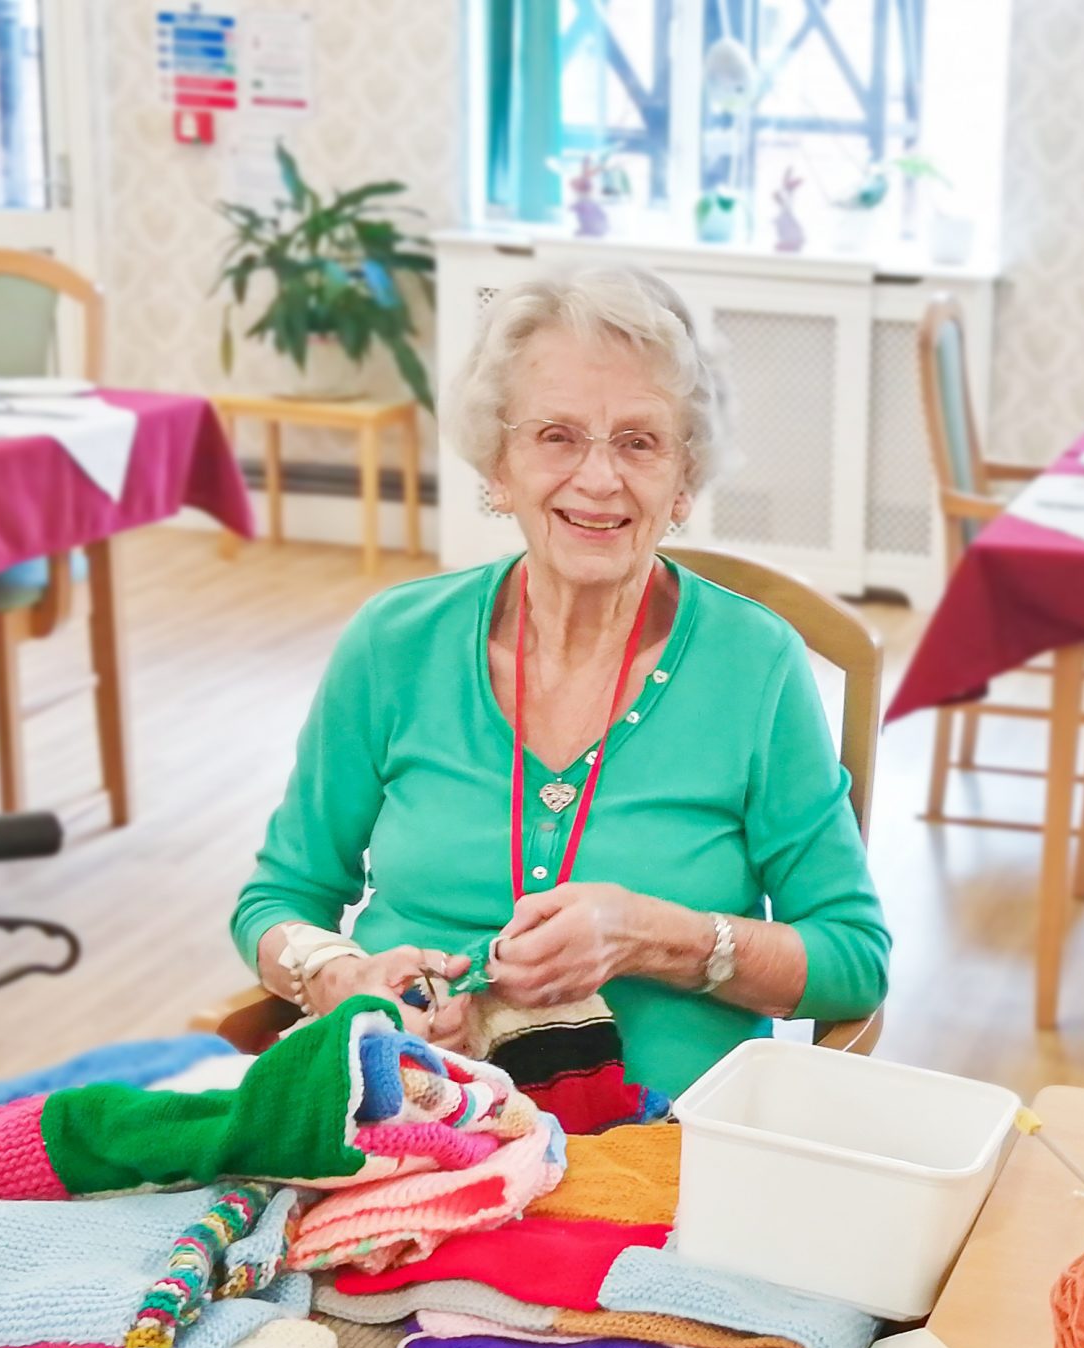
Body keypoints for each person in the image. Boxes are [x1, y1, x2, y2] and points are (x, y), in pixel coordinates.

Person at [233, 265, 889, 1102]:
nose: (599, 479)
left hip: (658, 1157)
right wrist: (336, 975)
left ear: (684, 480)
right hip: (406, 1126)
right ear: (498, 465)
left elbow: (853, 959)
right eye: (557, 436)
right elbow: (282, 897)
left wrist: (655, 937)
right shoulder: (394, 646)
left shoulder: (753, 665)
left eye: (640, 441)